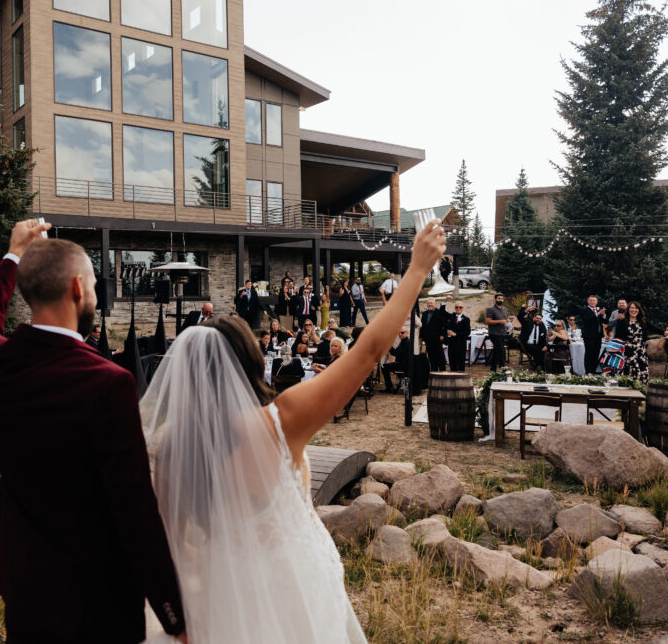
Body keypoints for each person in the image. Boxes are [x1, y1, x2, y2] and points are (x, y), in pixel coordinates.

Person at [138, 220, 445, 643]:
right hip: (295, 589)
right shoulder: (280, 421)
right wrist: (416, 270)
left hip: (219, 597)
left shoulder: (173, 446)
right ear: (249, 359)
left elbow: (171, 544)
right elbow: (370, 350)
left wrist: (217, 575)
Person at [0, 220, 187, 643]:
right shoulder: (108, 382)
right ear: (78, 288)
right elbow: (134, 510)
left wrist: (13, 254)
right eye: (97, 285)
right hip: (95, 601)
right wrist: (175, 616)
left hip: (23, 578)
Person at [614, 301, 651, 385]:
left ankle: (640, 392)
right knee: (627, 375)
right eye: (632, 308)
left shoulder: (642, 322)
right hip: (627, 352)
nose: (634, 310)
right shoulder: (622, 322)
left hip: (640, 352)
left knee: (641, 375)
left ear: (639, 310)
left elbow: (656, 329)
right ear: (628, 309)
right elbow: (617, 338)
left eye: (636, 308)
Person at [580, 295, 607, 374]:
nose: (592, 302)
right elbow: (587, 320)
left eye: (594, 300)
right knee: (589, 354)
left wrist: (604, 315)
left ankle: (593, 371)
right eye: (591, 300)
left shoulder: (598, 310)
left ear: (596, 302)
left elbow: (604, 321)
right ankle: (588, 372)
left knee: (596, 354)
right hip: (589, 337)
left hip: (598, 337)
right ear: (588, 302)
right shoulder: (586, 310)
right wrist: (598, 314)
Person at [421, 296, 449, 372]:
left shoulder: (439, 312)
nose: (430, 304)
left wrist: (443, 335)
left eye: (431, 303)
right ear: (427, 304)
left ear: (435, 304)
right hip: (428, 339)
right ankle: (434, 373)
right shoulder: (424, 314)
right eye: (428, 303)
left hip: (437, 338)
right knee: (432, 358)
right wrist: (421, 337)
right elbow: (422, 326)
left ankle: (443, 372)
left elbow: (445, 325)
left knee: (440, 357)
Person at [484, 293, 510, 370]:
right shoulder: (490, 309)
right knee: (501, 350)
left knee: (496, 350)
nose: (500, 300)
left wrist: (508, 323)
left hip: (503, 332)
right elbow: (487, 321)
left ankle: (493, 368)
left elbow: (506, 319)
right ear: (495, 299)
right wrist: (500, 321)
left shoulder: (505, 309)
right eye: (499, 298)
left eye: (502, 298)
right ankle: (503, 368)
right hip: (494, 333)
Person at [382, 327, 412, 393]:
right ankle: (390, 386)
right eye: (399, 333)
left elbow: (396, 353)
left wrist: (389, 345)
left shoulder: (406, 342)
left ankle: (389, 387)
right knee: (385, 366)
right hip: (402, 363)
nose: (400, 334)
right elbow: (396, 353)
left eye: (402, 333)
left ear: (407, 333)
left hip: (403, 365)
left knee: (384, 366)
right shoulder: (404, 341)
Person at [446, 301, 471, 372]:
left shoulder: (466, 319)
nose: (458, 308)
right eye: (457, 307)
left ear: (463, 308)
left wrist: (456, 334)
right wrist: (445, 301)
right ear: (454, 308)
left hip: (461, 344)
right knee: (452, 363)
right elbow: (442, 312)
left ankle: (460, 381)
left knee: (460, 364)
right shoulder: (451, 317)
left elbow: (467, 332)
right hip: (451, 343)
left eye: (460, 307)